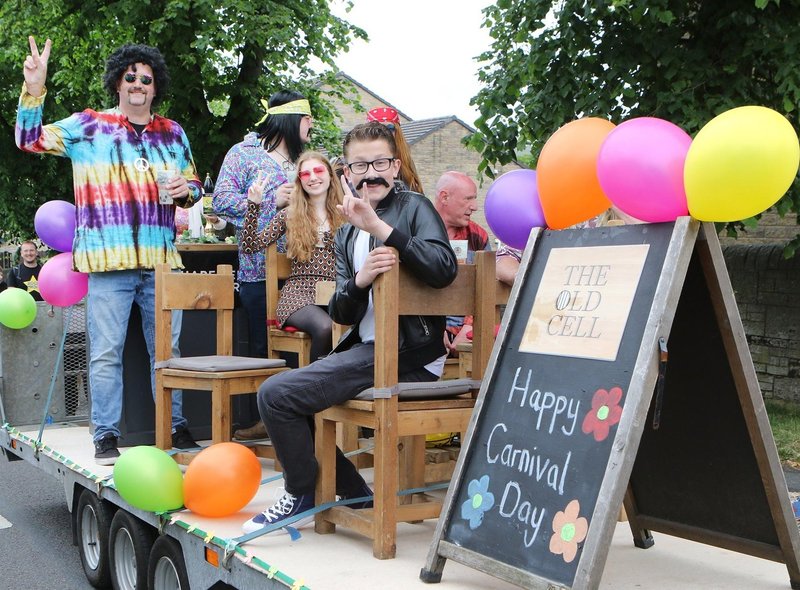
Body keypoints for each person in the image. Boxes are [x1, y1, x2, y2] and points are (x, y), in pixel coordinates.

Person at [241, 121, 457, 534]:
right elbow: (341, 311)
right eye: (360, 165)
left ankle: (301, 491)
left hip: (410, 353)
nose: (371, 173)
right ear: (347, 172)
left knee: (276, 394)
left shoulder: (414, 208)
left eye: (380, 162)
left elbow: (443, 269)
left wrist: (381, 230)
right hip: (368, 349)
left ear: (395, 166)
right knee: (283, 396)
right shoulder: (346, 229)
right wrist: (358, 282)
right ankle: (354, 491)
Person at [16, 37, 202, 465]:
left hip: (159, 262)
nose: (138, 83)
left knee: (169, 355)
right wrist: (34, 88)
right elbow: (28, 140)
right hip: (107, 262)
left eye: (146, 78)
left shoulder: (172, 132)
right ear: (117, 83)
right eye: (130, 76)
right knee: (103, 354)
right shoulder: (88, 125)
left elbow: (194, 188)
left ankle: (174, 428)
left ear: (156, 87)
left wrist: (186, 190)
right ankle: (105, 436)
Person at [214, 90, 313, 441]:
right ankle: (267, 420)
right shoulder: (245, 154)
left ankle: (306, 419)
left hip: (307, 271)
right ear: (289, 119)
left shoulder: (306, 162)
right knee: (265, 351)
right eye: (306, 118)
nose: (312, 124)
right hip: (258, 271)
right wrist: (272, 199)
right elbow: (221, 202)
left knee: (309, 344)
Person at [240, 151, 344, 362]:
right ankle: (312, 388)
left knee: (357, 329)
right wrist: (254, 205)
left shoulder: (345, 213)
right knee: (325, 328)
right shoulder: (290, 214)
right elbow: (250, 246)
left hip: (336, 293)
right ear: (300, 181)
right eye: (305, 174)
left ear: (330, 175)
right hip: (299, 295)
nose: (313, 177)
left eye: (318, 170)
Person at [433, 171, 492, 356]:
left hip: (466, 333)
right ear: (444, 197)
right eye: (468, 199)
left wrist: (470, 327)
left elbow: (487, 287)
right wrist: (431, 326)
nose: (474, 207)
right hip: (423, 330)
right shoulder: (416, 233)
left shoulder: (478, 236)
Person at [366, 107, 424, 193]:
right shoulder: (354, 163)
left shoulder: (405, 164)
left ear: (397, 133)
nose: (384, 134)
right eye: (378, 129)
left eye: (389, 128)